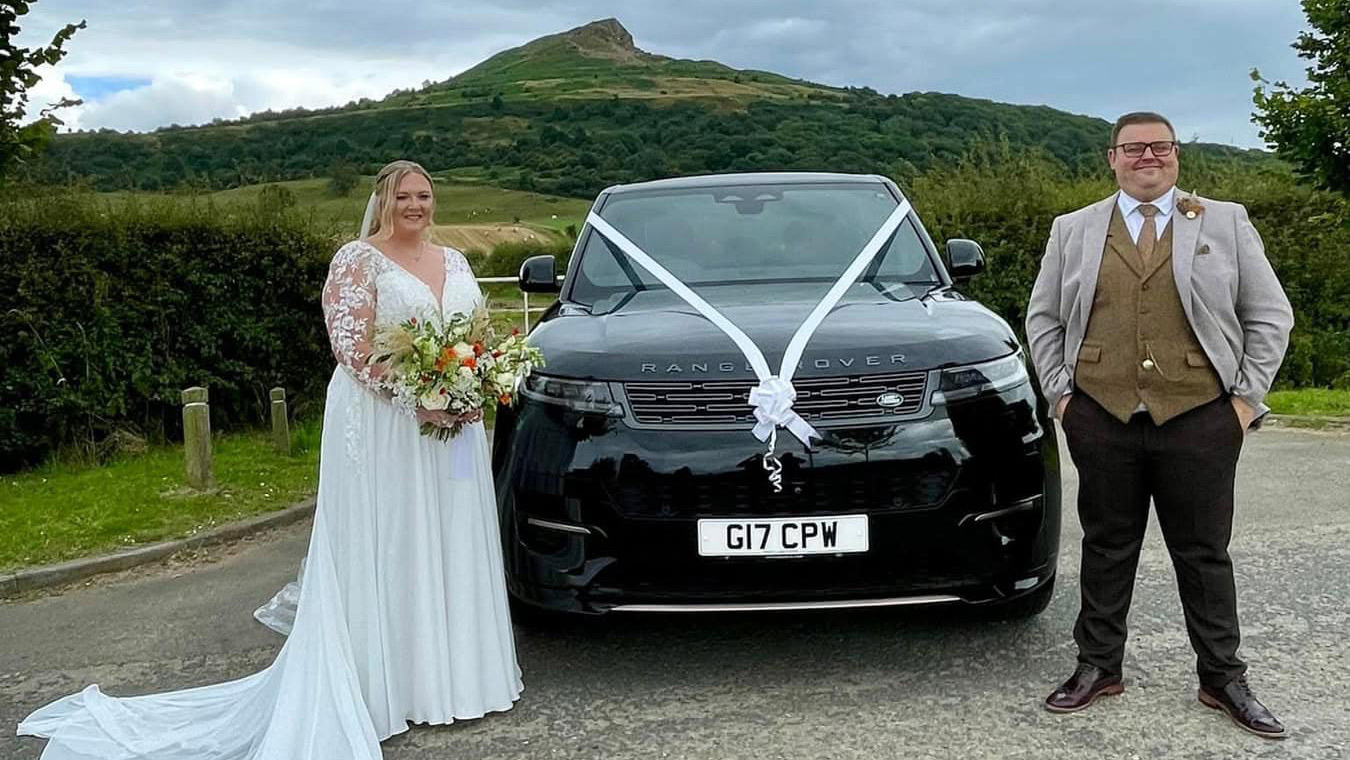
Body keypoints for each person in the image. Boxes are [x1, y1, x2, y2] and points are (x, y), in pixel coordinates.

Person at [18, 160, 522, 759]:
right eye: (403, 196)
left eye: (424, 195)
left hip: (457, 426)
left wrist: (473, 384)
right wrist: (420, 398)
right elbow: (351, 347)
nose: (416, 205)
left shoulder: (457, 261)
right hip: (385, 422)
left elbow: (476, 335)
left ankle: (460, 679)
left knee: (453, 534)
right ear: (382, 202)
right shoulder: (356, 260)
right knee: (392, 538)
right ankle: (391, 685)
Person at [1025, 112, 1293, 738]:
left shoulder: (1225, 220)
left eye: (1161, 146)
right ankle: (1098, 666)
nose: (1149, 156)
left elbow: (1269, 315)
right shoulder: (1074, 229)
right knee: (1106, 545)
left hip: (1201, 415)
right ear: (1112, 158)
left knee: (1204, 552)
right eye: (1135, 147)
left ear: (1176, 155)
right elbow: (1043, 319)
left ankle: (1222, 678)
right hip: (1101, 415)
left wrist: (1245, 402)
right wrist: (1064, 400)